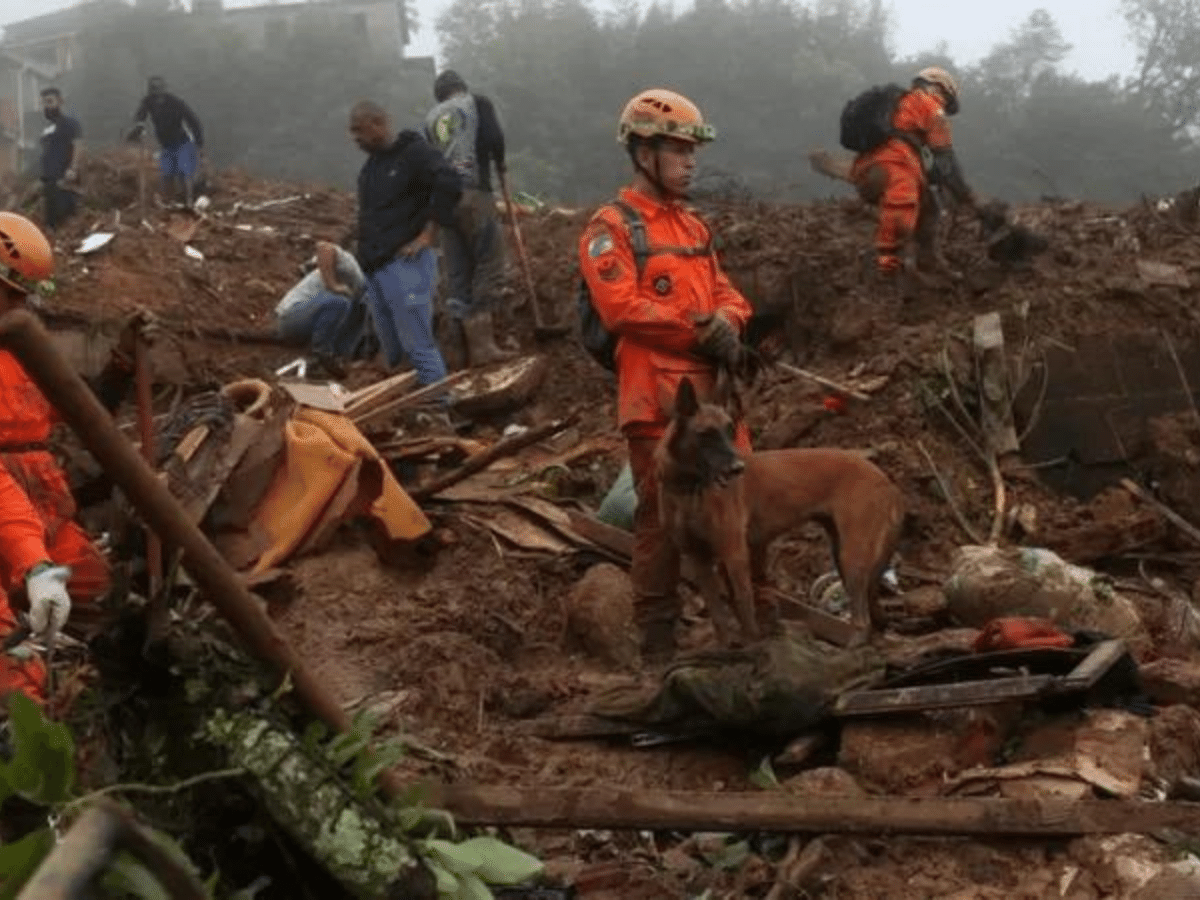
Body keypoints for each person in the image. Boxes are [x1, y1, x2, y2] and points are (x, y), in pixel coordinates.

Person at [577, 89, 753, 660]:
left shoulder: (695, 229)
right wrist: (699, 329)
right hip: (655, 399)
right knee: (661, 516)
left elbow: (728, 293)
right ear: (643, 151)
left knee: (735, 505)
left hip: (716, 404)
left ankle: (752, 625)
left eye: (691, 151)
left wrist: (727, 320)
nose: (689, 161)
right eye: (678, 149)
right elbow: (622, 307)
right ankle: (657, 639)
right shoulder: (613, 227)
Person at [0, 212, 156, 705]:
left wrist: (123, 361)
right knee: (13, 667)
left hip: (42, 509)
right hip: (10, 518)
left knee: (104, 602)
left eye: (24, 297)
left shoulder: (20, 351)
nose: (19, 307)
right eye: (11, 294)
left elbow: (80, 409)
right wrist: (33, 563)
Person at [349, 100, 460, 388]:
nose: (356, 139)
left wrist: (427, 235)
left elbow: (449, 183)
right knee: (392, 349)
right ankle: (408, 412)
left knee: (418, 345)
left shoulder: (415, 153)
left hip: (405, 264)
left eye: (360, 130)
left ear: (379, 123)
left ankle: (439, 407)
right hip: (375, 267)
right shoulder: (370, 169)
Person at [850, 66, 976, 283]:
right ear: (939, 88)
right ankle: (887, 269)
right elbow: (945, 158)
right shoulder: (930, 106)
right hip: (895, 166)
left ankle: (928, 260)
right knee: (902, 211)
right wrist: (965, 194)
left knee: (930, 207)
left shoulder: (899, 105)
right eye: (946, 98)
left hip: (864, 169)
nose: (945, 104)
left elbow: (931, 163)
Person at [424, 70, 512, 367]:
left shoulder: (430, 118)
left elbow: (431, 161)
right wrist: (500, 162)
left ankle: (456, 350)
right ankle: (483, 345)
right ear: (461, 88)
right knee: (489, 260)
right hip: (474, 191)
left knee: (458, 270)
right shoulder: (476, 102)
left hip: (445, 201)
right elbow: (493, 137)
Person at [274, 241, 376, 366]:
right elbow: (324, 247)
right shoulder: (352, 266)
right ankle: (321, 355)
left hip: (301, 327)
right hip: (290, 319)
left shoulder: (364, 292)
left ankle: (335, 357)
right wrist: (332, 285)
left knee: (358, 307)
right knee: (340, 301)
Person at [127, 76, 205, 208]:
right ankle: (171, 203)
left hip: (182, 143)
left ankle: (189, 203)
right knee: (167, 175)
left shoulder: (175, 103)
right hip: (166, 145)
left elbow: (193, 121)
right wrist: (138, 128)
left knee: (183, 173)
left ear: (164, 89)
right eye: (153, 89)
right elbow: (140, 115)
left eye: (158, 89)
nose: (156, 92)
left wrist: (199, 143)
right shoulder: (148, 101)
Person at [38, 88, 82, 233]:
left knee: (65, 217)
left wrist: (73, 169)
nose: (46, 106)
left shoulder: (70, 123)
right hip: (49, 180)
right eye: (44, 102)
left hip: (64, 178)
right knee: (51, 220)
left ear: (60, 102)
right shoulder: (46, 129)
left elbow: (78, 145)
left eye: (50, 101)